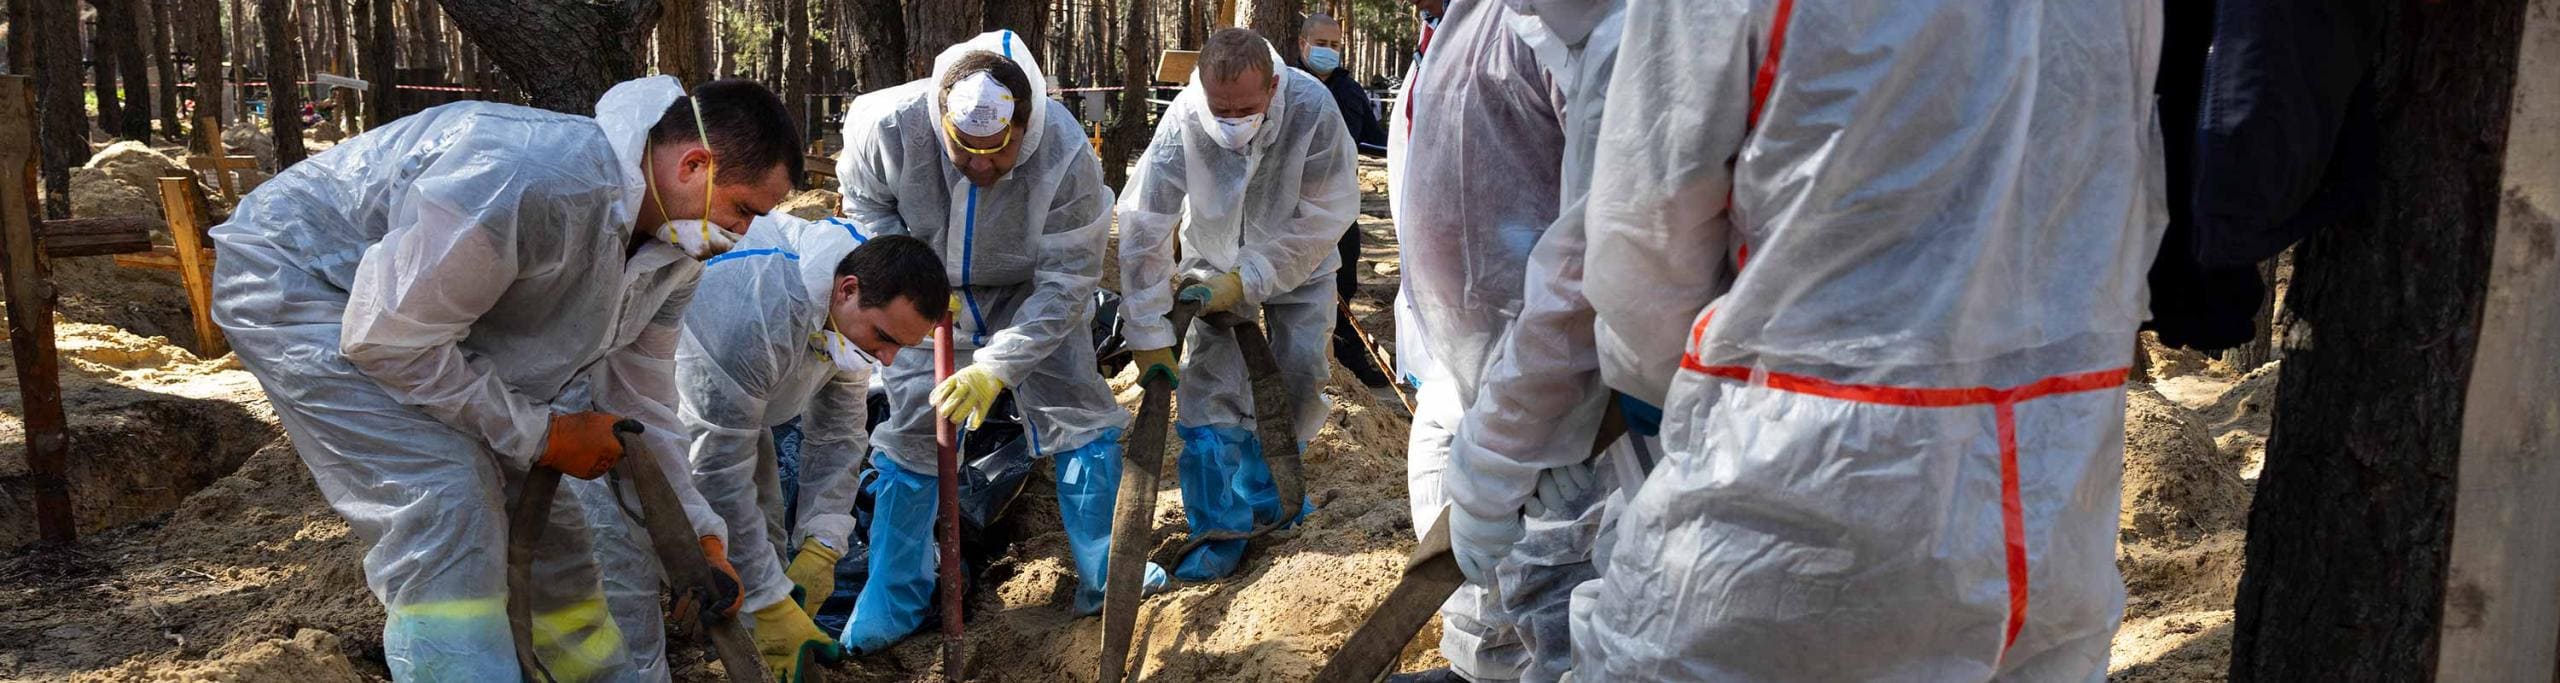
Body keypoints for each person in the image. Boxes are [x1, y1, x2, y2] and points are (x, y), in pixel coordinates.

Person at [1570, 1, 2164, 680]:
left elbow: (1645, 240)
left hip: (1793, 485)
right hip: (2051, 492)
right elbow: (2131, 185)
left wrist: (1658, 374)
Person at [208, 76, 802, 681]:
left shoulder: (676, 259)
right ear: (694, 165)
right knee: (448, 499)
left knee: (555, 537)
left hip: (428, 325)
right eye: (744, 209)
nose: (744, 233)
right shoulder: (529, 179)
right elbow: (389, 341)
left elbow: (642, 403)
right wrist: (543, 434)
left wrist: (697, 538)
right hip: (305, 282)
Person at [832, 29, 1161, 654]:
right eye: (965, 152)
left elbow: (1069, 278)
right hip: (920, 293)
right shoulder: (890, 126)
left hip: (1029, 287)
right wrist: (916, 276)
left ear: (1025, 127)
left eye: (997, 155)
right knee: (910, 428)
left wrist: (998, 366)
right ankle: (894, 595)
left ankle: (1105, 571)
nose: (981, 167)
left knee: (1079, 412)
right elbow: (868, 213)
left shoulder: (1065, 151)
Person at [577, 212, 946, 681]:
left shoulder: (850, 320)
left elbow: (837, 434)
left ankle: (763, 655)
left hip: (737, 419)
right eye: (884, 339)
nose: (887, 358)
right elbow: (715, 468)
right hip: (630, 412)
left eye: (901, 348)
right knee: (625, 567)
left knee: (761, 549)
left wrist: (824, 539)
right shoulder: (756, 310)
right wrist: (766, 598)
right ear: (847, 289)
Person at [1435, 1, 1637, 682]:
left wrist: (1503, 460)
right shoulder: (1518, 30)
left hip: (1589, 382)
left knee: (1607, 588)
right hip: (1528, 375)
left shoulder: (1627, 43)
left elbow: (1596, 273)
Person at [1119, 27, 1361, 582]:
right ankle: (1218, 526)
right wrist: (1148, 328)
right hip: (1210, 264)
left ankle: (1274, 496)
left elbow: (1327, 211)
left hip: (1300, 264)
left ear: (1273, 86)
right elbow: (1145, 223)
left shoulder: (1310, 106)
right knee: (1209, 390)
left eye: (1245, 108)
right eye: (1218, 107)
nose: (1229, 120)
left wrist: (1251, 276)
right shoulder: (1184, 118)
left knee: (1300, 376)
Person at [1385, 0, 1569, 679]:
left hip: (1552, 355)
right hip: (1460, 354)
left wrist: (1575, 385)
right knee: (1460, 524)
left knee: (1559, 548)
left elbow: (1613, 214)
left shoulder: (1543, 25)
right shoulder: (1450, 34)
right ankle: (1480, 663)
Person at [1298, 12, 1397, 390]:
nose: (1329, 51)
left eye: (1335, 45)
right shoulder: (1286, 86)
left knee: (1343, 285)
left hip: (1340, 212)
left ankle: (1347, 361)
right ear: (1302, 44)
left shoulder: (1351, 91)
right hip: (1293, 212)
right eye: (1321, 44)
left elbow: (1373, 140)